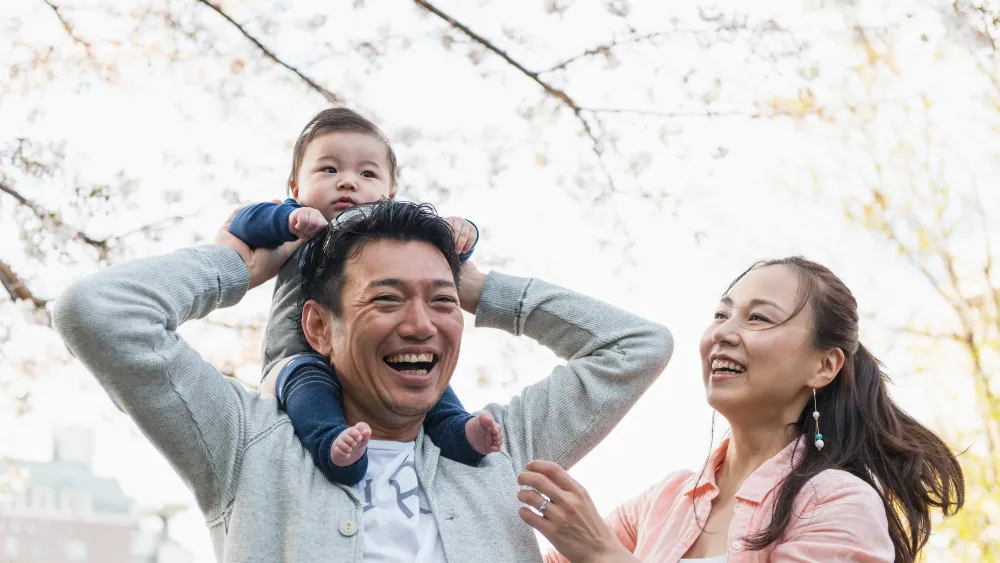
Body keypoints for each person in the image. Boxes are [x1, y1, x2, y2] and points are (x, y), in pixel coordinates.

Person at [53, 198, 673, 562]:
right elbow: (99, 311)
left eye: (441, 302)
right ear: (319, 329)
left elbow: (637, 346)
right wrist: (237, 264)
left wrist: (484, 290)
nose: (421, 325)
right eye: (387, 299)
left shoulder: (498, 446)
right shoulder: (246, 445)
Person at [518, 257, 965, 563]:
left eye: (758, 318)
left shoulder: (837, 503)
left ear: (823, 365)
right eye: (720, 314)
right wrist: (470, 286)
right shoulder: (666, 500)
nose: (724, 333)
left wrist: (603, 555)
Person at [227, 107, 499, 486]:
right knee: (310, 385)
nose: (347, 183)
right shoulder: (298, 226)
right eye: (329, 170)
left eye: (366, 174)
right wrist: (285, 221)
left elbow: (443, 248)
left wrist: (463, 230)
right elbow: (241, 222)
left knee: (427, 376)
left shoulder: (393, 238)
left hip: (373, 357)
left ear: (389, 195)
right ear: (294, 187)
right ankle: (331, 444)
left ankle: (457, 431)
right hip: (296, 357)